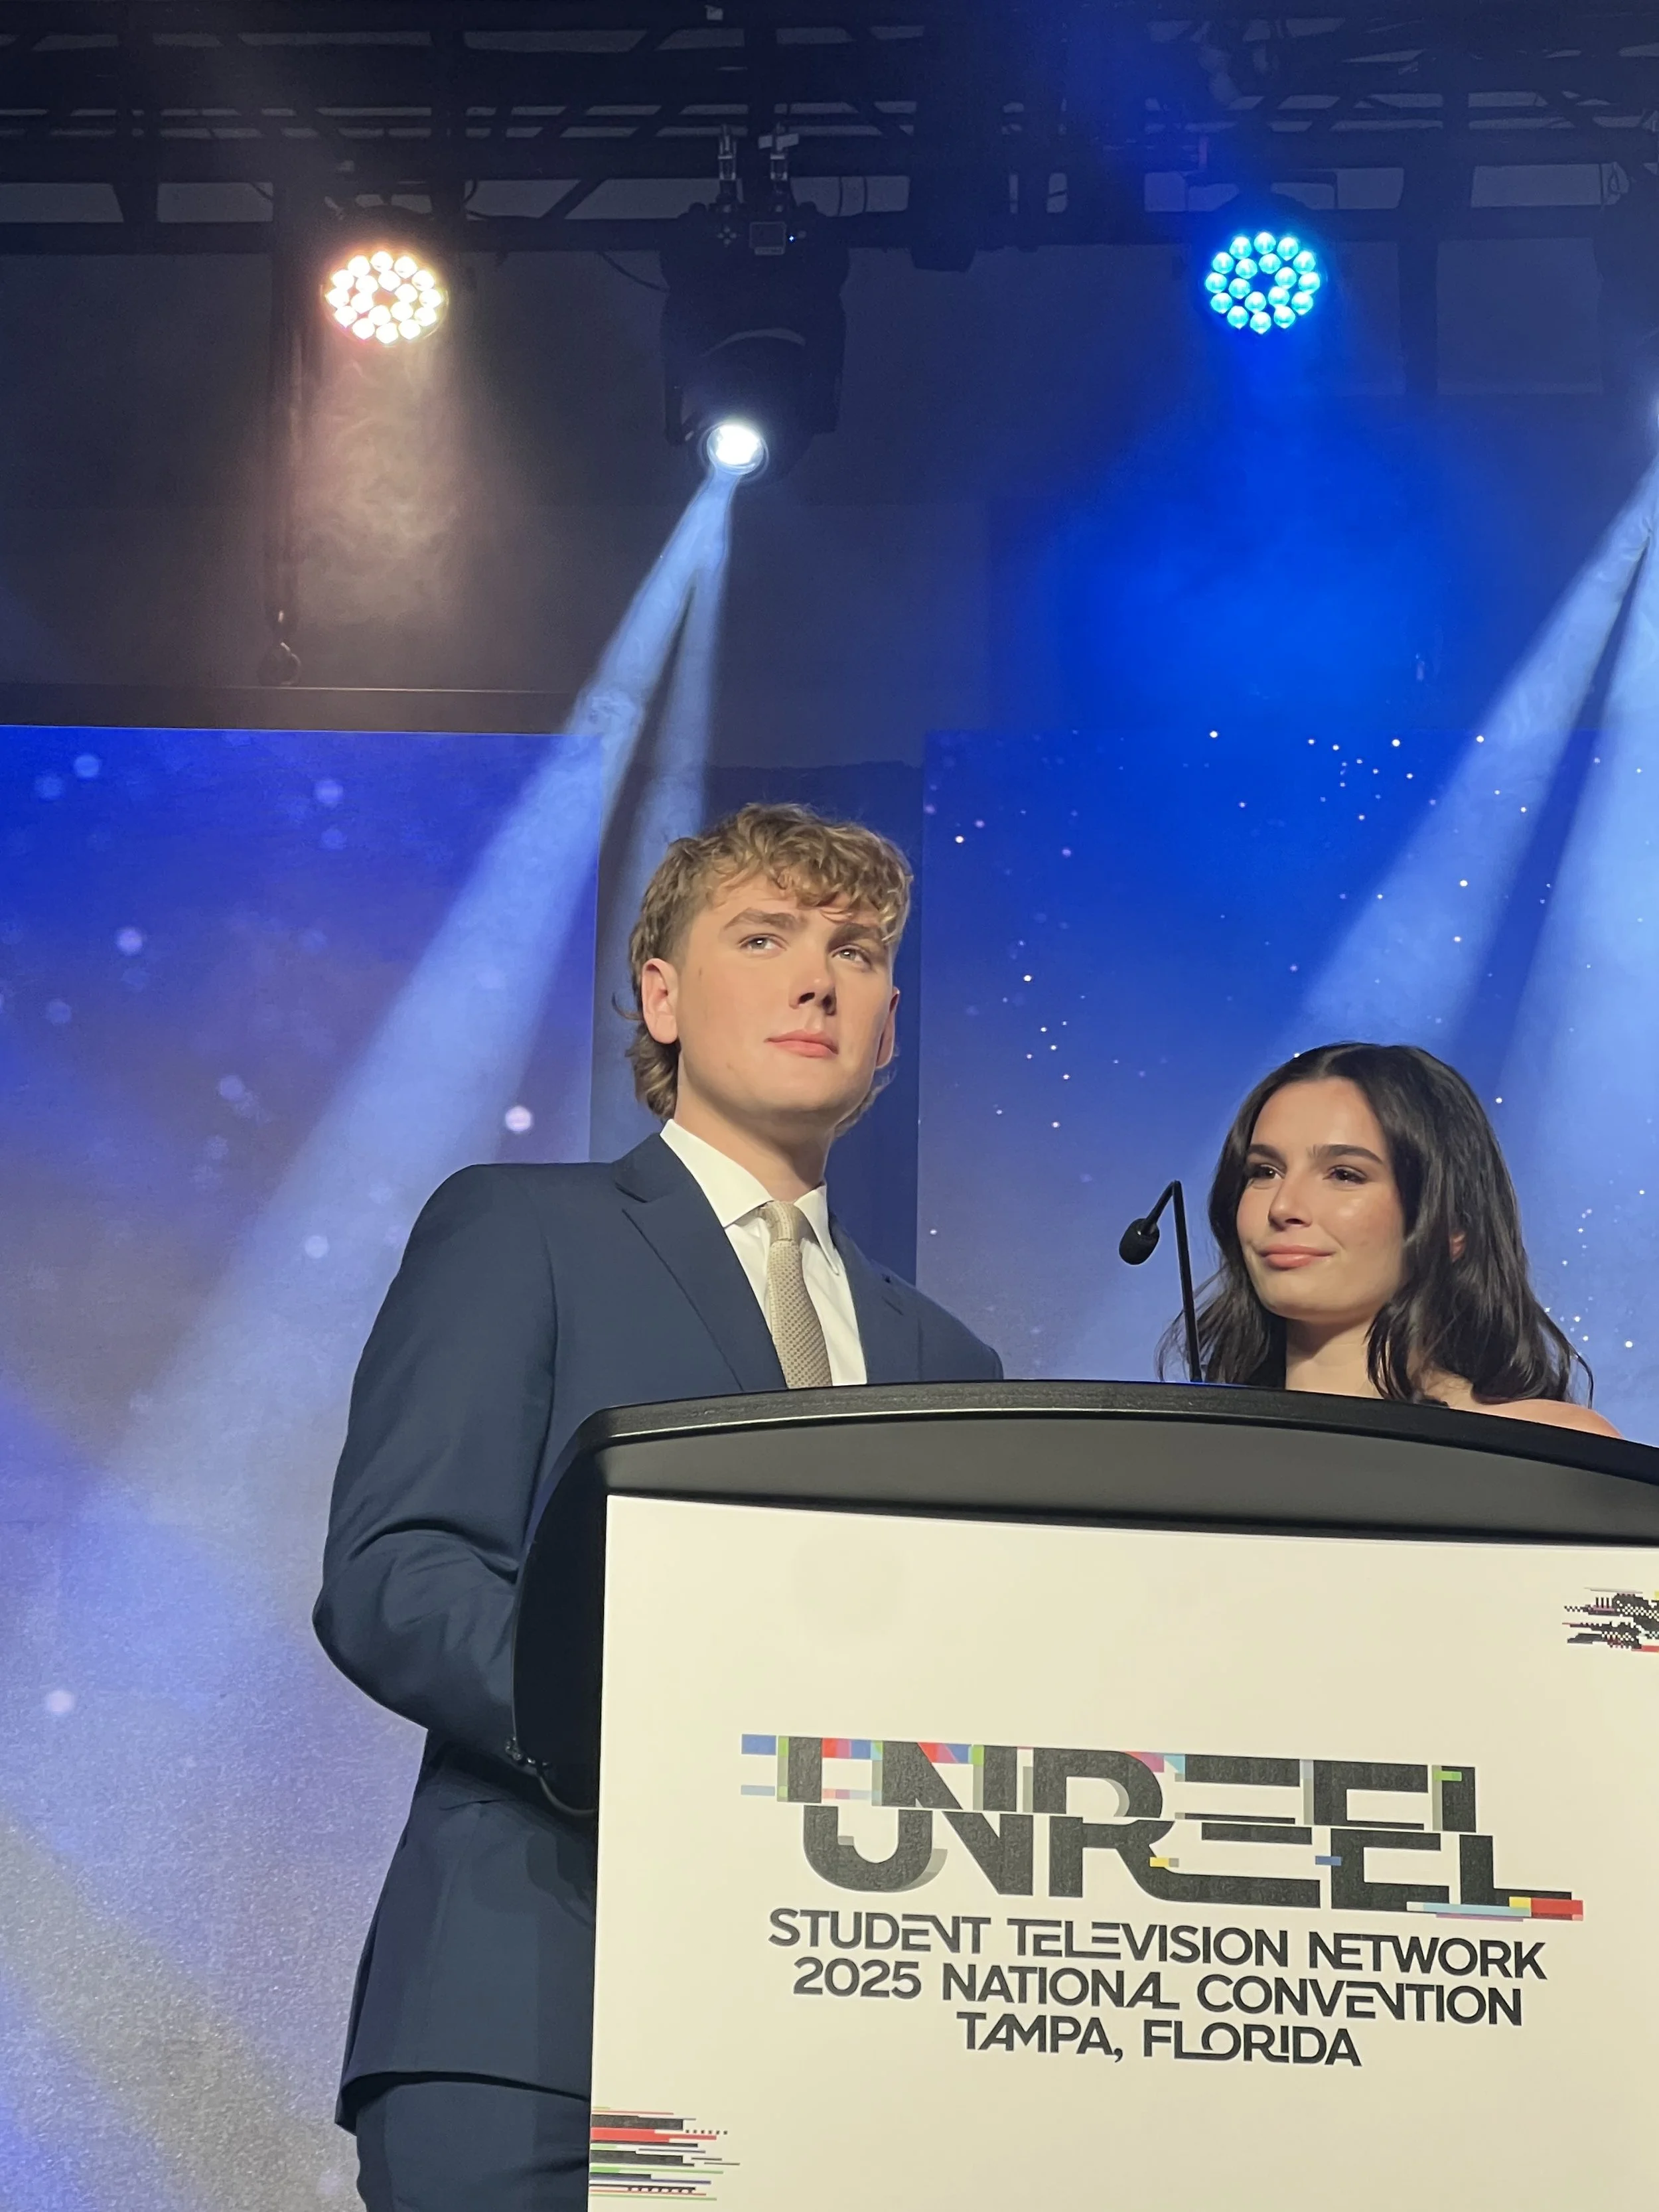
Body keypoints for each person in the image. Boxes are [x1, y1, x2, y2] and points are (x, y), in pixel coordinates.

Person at [313, 803, 1001, 2212]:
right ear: (662, 996)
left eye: (855, 952)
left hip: (836, 2046)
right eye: (763, 937)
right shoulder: (522, 1229)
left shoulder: (951, 1361)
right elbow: (400, 1569)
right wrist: (649, 1732)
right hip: (538, 2014)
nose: (817, 979)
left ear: (886, 1028)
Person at [1166, 1039, 1617, 1436]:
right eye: (1265, 1171)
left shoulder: (1548, 1447)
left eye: (1344, 1174)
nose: (1283, 1207)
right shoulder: (1183, 1448)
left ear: (1453, 1225)